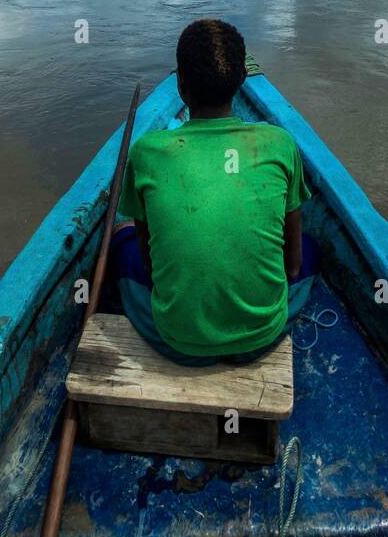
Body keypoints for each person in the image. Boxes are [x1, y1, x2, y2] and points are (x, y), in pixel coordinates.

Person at [111, 18, 318, 366]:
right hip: (261, 336)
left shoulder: (146, 152)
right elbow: (294, 264)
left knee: (123, 243)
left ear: (180, 85)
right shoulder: (279, 144)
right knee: (311, 248)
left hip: (176, 341)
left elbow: (148, 263)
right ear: (240, 80)